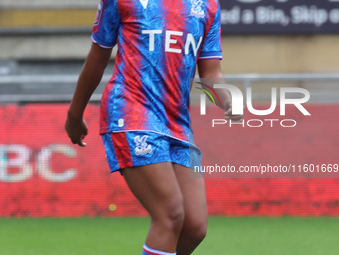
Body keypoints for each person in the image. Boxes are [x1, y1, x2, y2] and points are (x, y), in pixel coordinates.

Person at [65, 0, 242, 254]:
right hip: (131, 112)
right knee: (170, 213)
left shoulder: (208, 5)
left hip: (177, 123)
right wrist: (75, 114)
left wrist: (228, 99)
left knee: (194, 226)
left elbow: (211, 72)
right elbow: (98, 54)